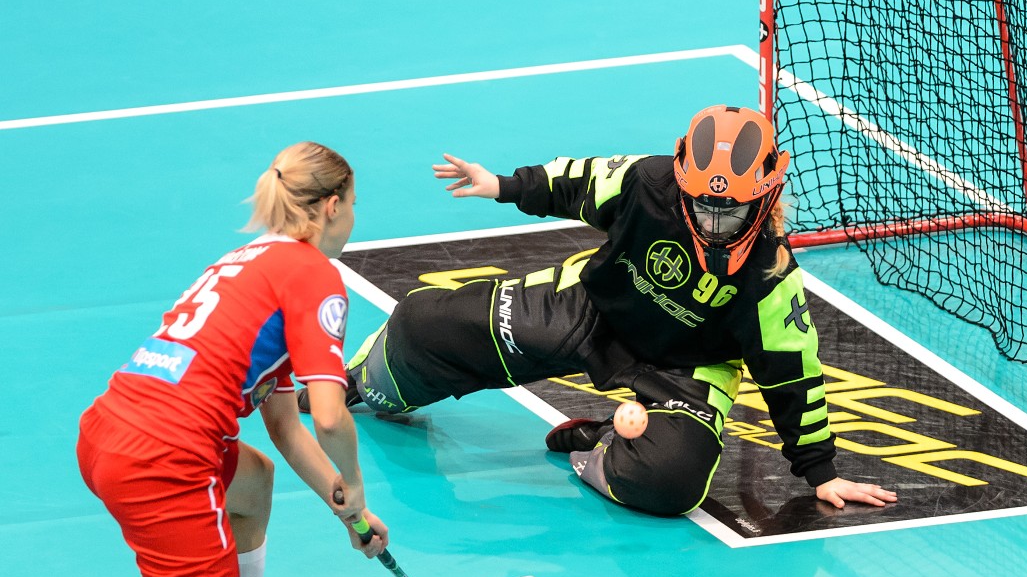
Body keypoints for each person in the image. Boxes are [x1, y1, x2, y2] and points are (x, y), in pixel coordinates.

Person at [299, 105, 897, 516]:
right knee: (422, 326)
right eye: (703, 207)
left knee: (670, 483)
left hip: (689, 370)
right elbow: (578, 180)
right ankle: (361, 381)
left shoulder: (771, 277)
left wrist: (821, 471)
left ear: (765, 197)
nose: (716, 223)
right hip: (593, 309)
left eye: (732, 211)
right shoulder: (648, 182)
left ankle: (604, 442)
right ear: (681, 179)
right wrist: (505, 185)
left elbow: (793, 376)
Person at [77, 141, 389, 577]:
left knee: (252, 480)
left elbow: (285, 427)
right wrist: (357, 484)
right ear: (332, 206)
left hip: (108, 429)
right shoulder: (314, 274)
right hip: (166, 458)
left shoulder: (244, 260)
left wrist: (347, 510)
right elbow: (329, 417)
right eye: (354, 205)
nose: (352, 218)